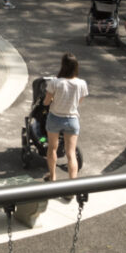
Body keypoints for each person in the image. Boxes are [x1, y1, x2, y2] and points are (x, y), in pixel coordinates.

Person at [43, 52, 88, 184]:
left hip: (55, 118)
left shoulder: (55, 82)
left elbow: (46, 101)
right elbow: (79, 102)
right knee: (71, 153)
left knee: (52, 148)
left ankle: (53, 177)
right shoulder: (81, 83)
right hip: (72, 120)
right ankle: (72, 185)